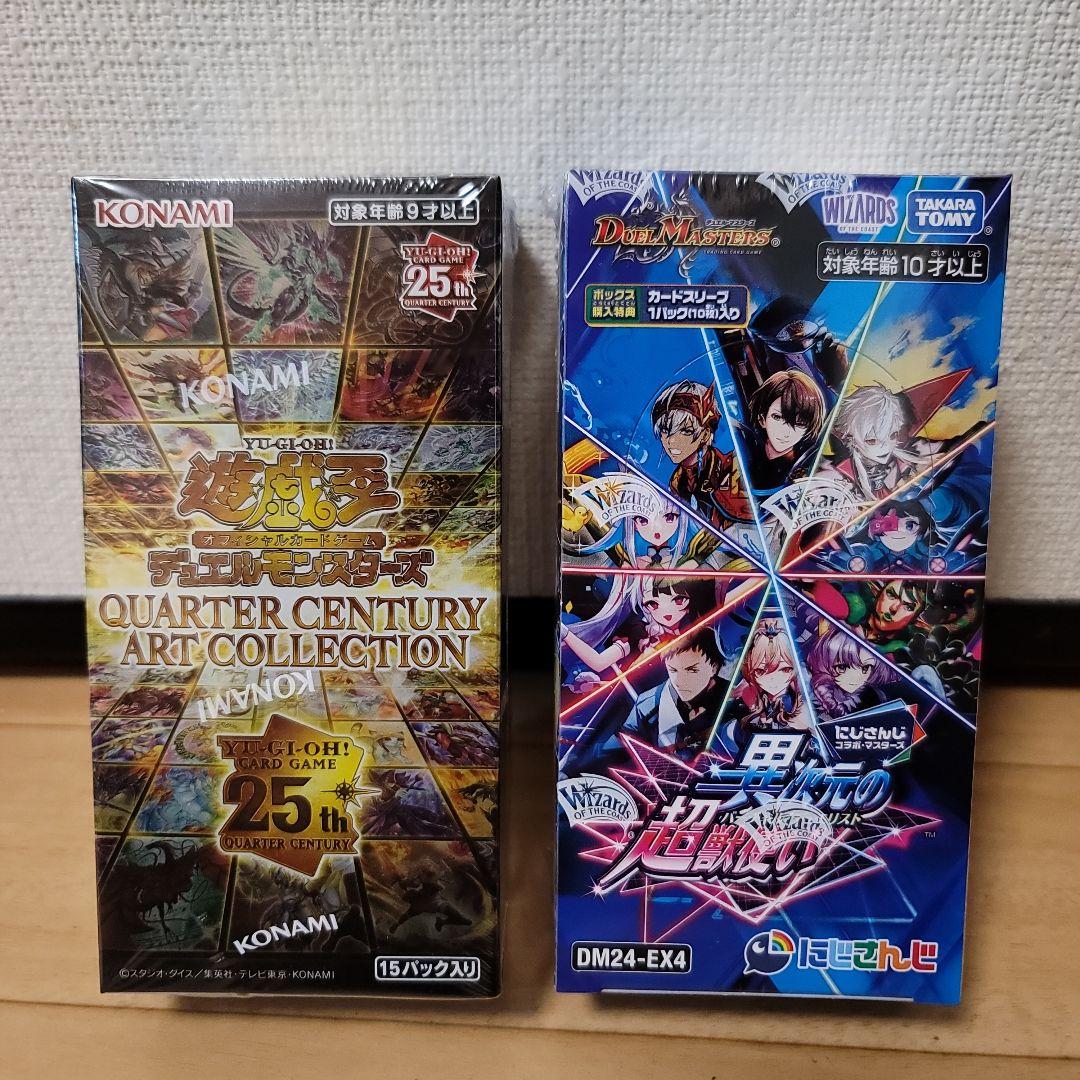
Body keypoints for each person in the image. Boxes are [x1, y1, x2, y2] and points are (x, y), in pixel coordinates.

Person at [561, 627, 729, 773]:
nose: (680, 681)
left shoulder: (733, 700)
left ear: (713, 667)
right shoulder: (648, 704)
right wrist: (572, 769)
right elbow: (618, 746)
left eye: (692, 670)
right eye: (673, 670)